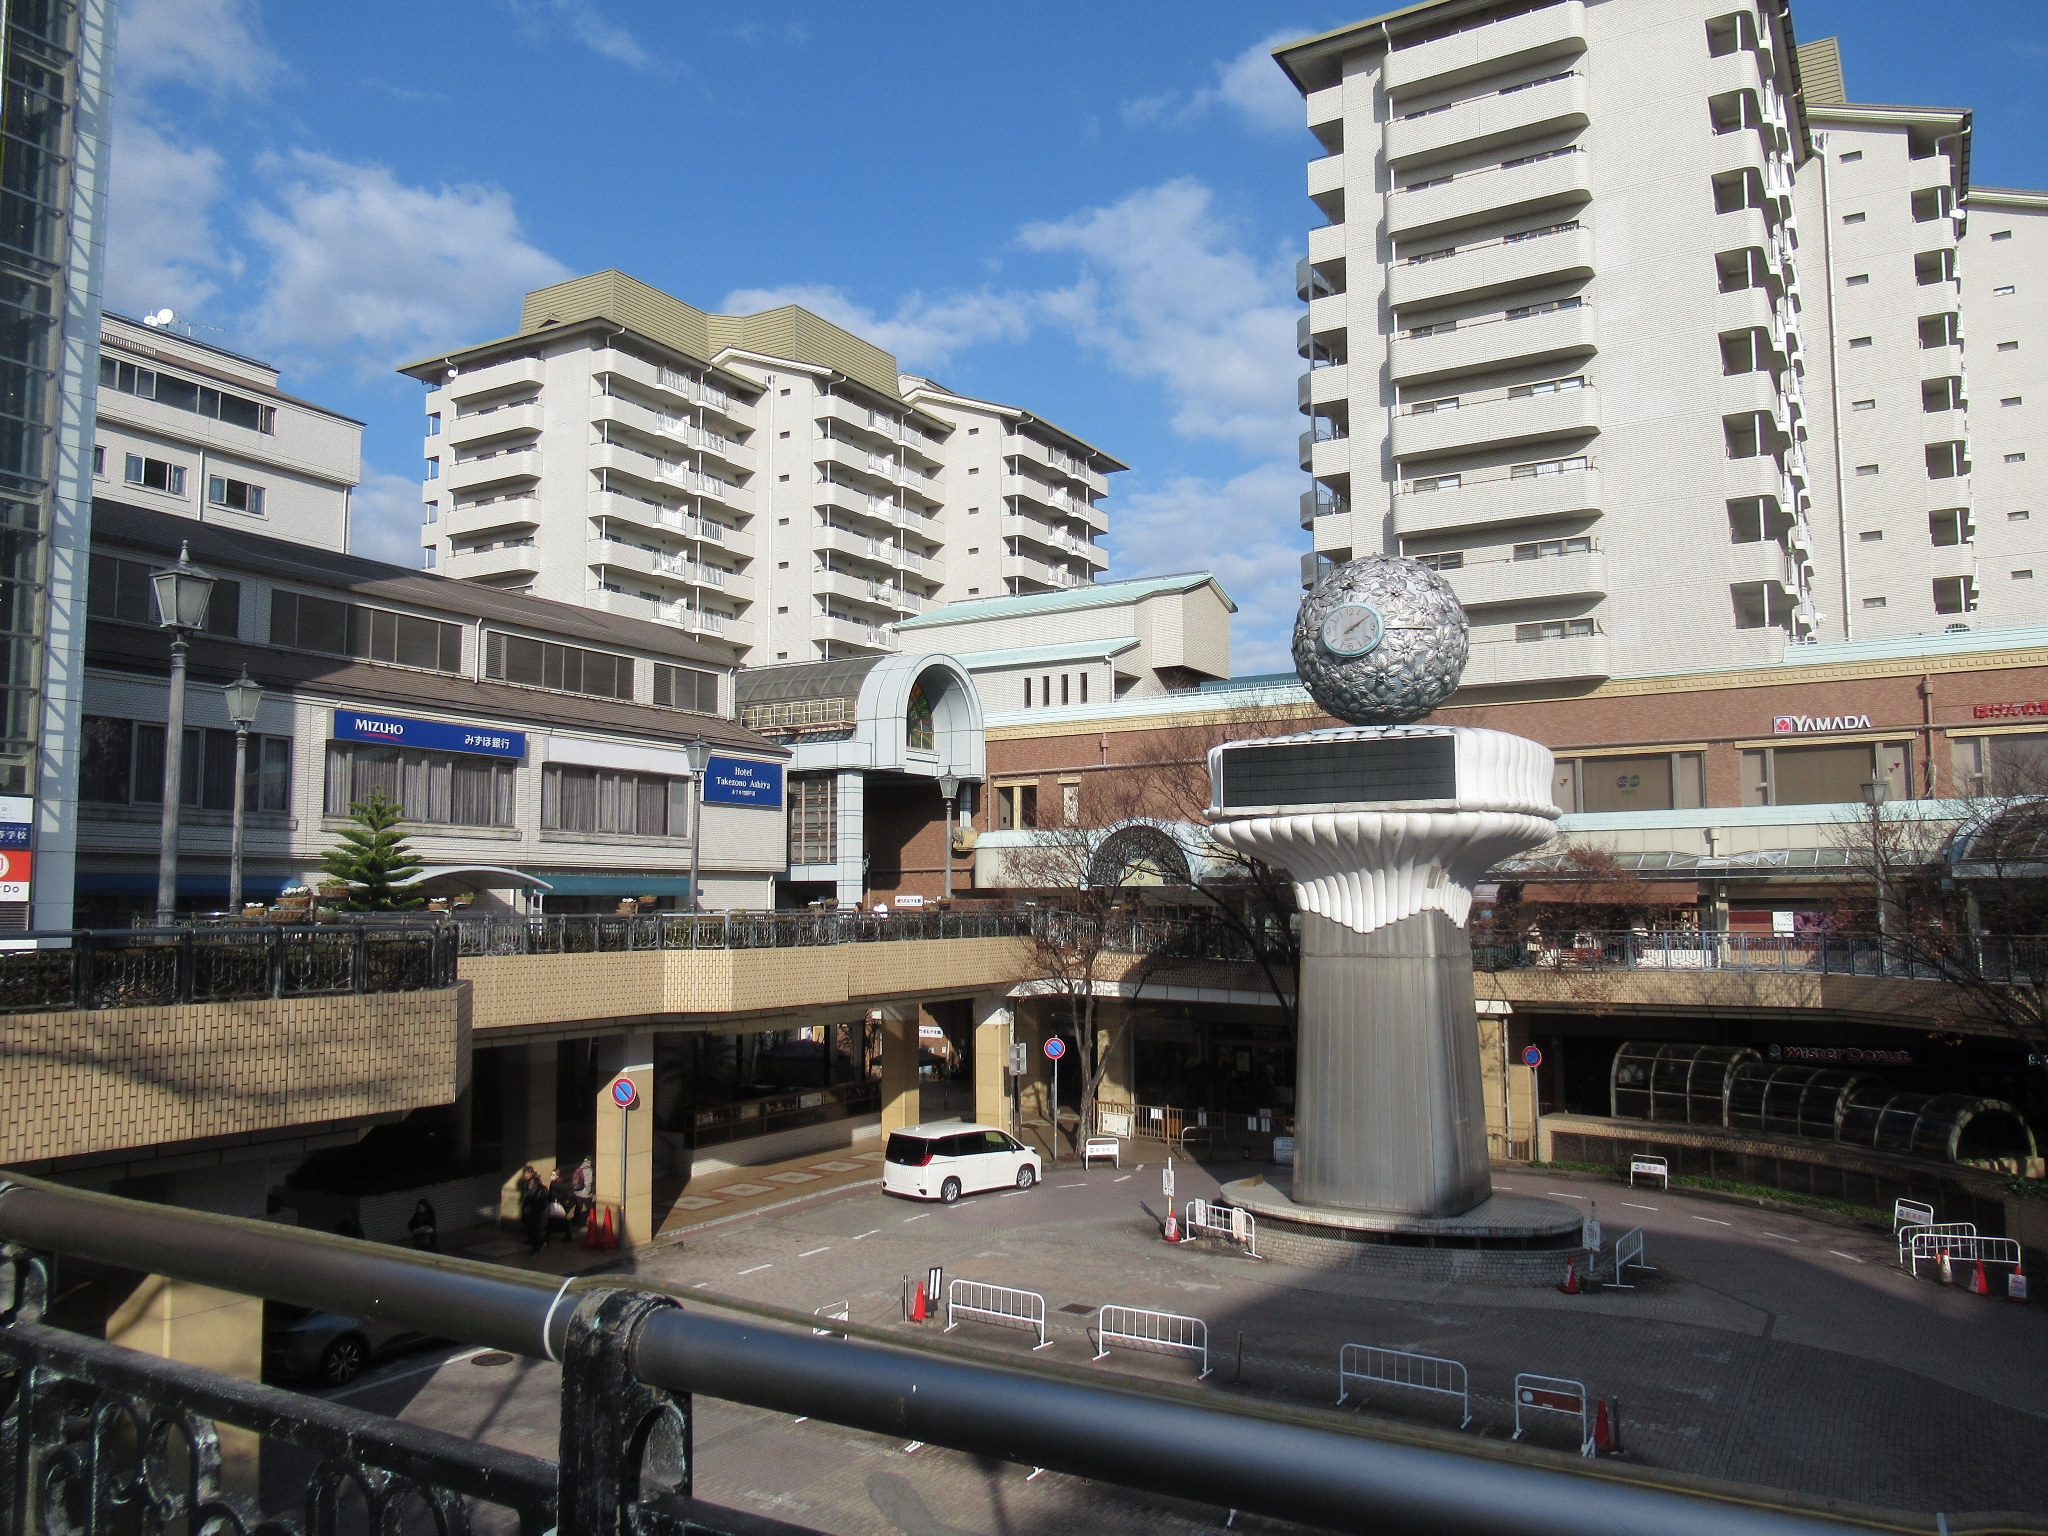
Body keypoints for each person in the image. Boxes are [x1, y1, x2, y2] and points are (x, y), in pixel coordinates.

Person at [518, 1165, 548, 1256]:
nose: (526, 1175)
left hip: (535, 1213)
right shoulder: (527, 1186)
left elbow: (541, 1204)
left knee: (535, 1229)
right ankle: (536, 1242)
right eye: (525, 1173)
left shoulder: (539, 1192)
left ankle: (537, 1246)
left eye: (528, 1173)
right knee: (529, 1225)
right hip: (530, 1210)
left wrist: (532, 1209)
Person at [546, 1168, 574, 1244]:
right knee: (555, 1221)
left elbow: (564, 1195)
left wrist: (556, 1198)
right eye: (551, 1174)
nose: (551, 1176)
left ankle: (547, 1238)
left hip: (558, 1205)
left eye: (553, 1175)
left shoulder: (558, 1184)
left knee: (558, 1221)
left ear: (557, 1176)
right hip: (555, 1204)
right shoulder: (554, 1183)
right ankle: (547, 1238)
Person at [570, 1156, 595, 1225]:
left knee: (578, 1207)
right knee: (590, 1207)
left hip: (578, 1191)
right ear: (590, 1162)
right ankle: (593, 1221)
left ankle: (575, 1222)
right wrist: (588, 1191)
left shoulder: (580, 1167)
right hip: (585, 1192)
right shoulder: (588, 1170)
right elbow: (588, 1182)